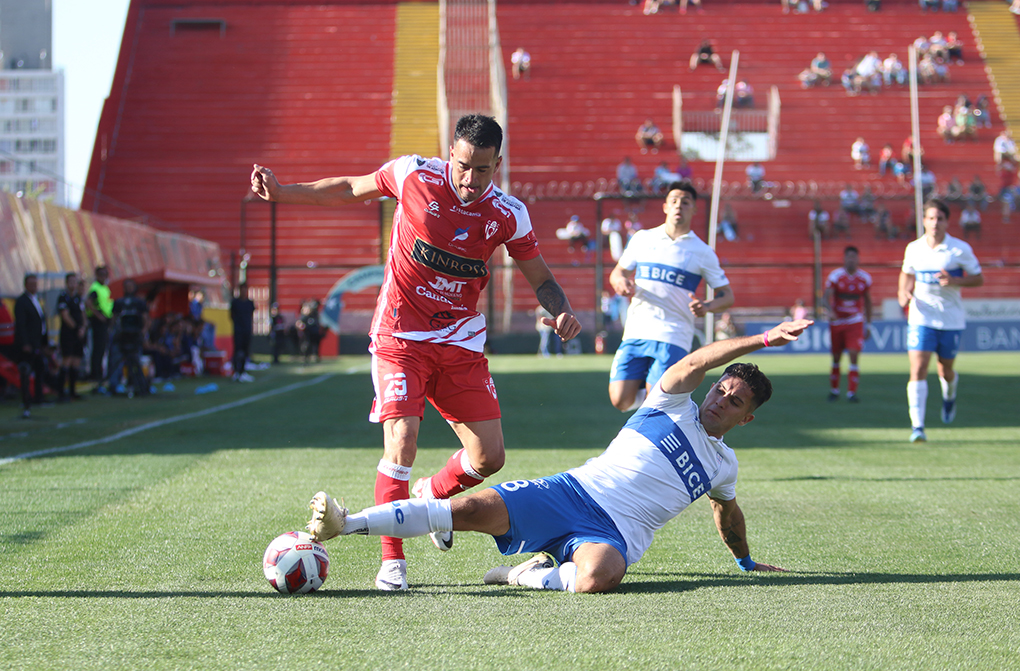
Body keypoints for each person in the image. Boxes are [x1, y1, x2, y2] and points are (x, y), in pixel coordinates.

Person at [251, 113, 581, 591]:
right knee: (402, 440)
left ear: (499, 165)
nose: (470, 179)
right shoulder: (413, 174)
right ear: (451, 153)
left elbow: (542, 278)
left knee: (489, 458)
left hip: (460, 342)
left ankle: (431, 494)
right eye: (464, 165)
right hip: (400, 337)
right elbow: (350, 188)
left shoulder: (508, 214)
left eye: (483, 170)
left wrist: (563, 311)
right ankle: (392, 562)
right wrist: (284, 192)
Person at [304, 319, 811, 593]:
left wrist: (745, 562)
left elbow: (728, 514)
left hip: (614, 534)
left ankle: (525, 573)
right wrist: (765, 338)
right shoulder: (671, 401)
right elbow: (699, 359)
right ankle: (344, 524)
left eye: (734, 401)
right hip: (574, 492)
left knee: (599, 577)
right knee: (468, 510)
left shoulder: (724, 466)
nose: (720, 398)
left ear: (746, 419)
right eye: (722, 390)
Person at [607, 180, 734, 412]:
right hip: (636, 330)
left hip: (673, 335)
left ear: (694, 209)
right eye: (674, 201)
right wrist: (620, 283)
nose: (679, 206)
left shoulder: (702, 252)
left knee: (657, 403)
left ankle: (657, 423)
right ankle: (659, 402)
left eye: (685, 202)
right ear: (665, 206)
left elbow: (727, 296)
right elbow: (618, 272)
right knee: (619, 400)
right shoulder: (643, 238)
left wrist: (706, 307)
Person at [897, 199, 983, 443]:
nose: (935, 223)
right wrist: (903, 291)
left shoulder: (959, 249)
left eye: (940, 218)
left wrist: (956, 281)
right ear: (924, 220)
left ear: (947, 221)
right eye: (931, 218)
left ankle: (949, 396)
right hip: (921, 316)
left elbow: (978, 279)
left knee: (945, 370)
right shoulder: (914, 248)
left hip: (950, 319)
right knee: (918, 368)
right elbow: (906, 273)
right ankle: (918, 427)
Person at [824, 246, 872, 403]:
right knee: (836, 357)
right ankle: (834, 390)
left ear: (858, 259)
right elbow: (825, 297)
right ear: (844, 258)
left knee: (853, 355)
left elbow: (868, 302)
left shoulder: (864, 278)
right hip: (837, 322)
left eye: (854, 257)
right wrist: (830, 311)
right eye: (848, 257)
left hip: (855, 321)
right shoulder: (836, 276)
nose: (851, 260)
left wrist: (869, 325)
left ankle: (852, 393)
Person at [14, 273, 47, 418]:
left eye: (35, 283)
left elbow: (41, 322)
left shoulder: (36, 300)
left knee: (39, 369)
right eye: (31, 284)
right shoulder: (22, 302)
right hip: (27, 344)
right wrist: (25, 343)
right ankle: (26, 400)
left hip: (37, 343)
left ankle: (38, 397)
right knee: (26, 372)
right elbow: (21, 324)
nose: (34, 286)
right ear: (26, 285)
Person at [112, 278, 150, 398]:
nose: (128, 288)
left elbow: (146, 318)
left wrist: (143, 331)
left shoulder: (139, 303)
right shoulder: (119, 302)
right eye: (126, 286)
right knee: (116, 360)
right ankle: (114, 386)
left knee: (135, 361)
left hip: (135, 337)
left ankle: (137, 384)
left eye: (130, 286)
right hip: (121, 337)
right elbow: (114, 318)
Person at [56, 272, 86, 401]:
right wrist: (76, 328)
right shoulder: (63, 297)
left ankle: (73, 391)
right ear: (67, 283)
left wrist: (83, 327)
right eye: (71, 282)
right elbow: (65, 315)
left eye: (75, 281)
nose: (73, 284)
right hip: (68, 334)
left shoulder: (78, 298)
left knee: (76, 361)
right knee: (67, 360)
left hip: (79, 334)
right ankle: (61, 392)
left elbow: (83, 314)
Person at [86, 265, 113, 383]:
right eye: (101, 274)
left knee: (102, 348)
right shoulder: (95, 288)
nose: (104, 277)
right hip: (98, 322)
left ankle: (99, 373)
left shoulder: (105, 288)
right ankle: (95, 374)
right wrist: (98, 315)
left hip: (105, 321)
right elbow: (88, 302)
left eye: (105, 274)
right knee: (98, 348)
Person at [229, 282, 256, 383]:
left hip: (247, 330)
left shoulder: (250, 303)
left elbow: (251, 316)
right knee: (237, 350)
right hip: (238, 330)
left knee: (245, 351)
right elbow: (231, 315)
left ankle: (243, 371)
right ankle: (236, 371)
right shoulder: (235, 302)